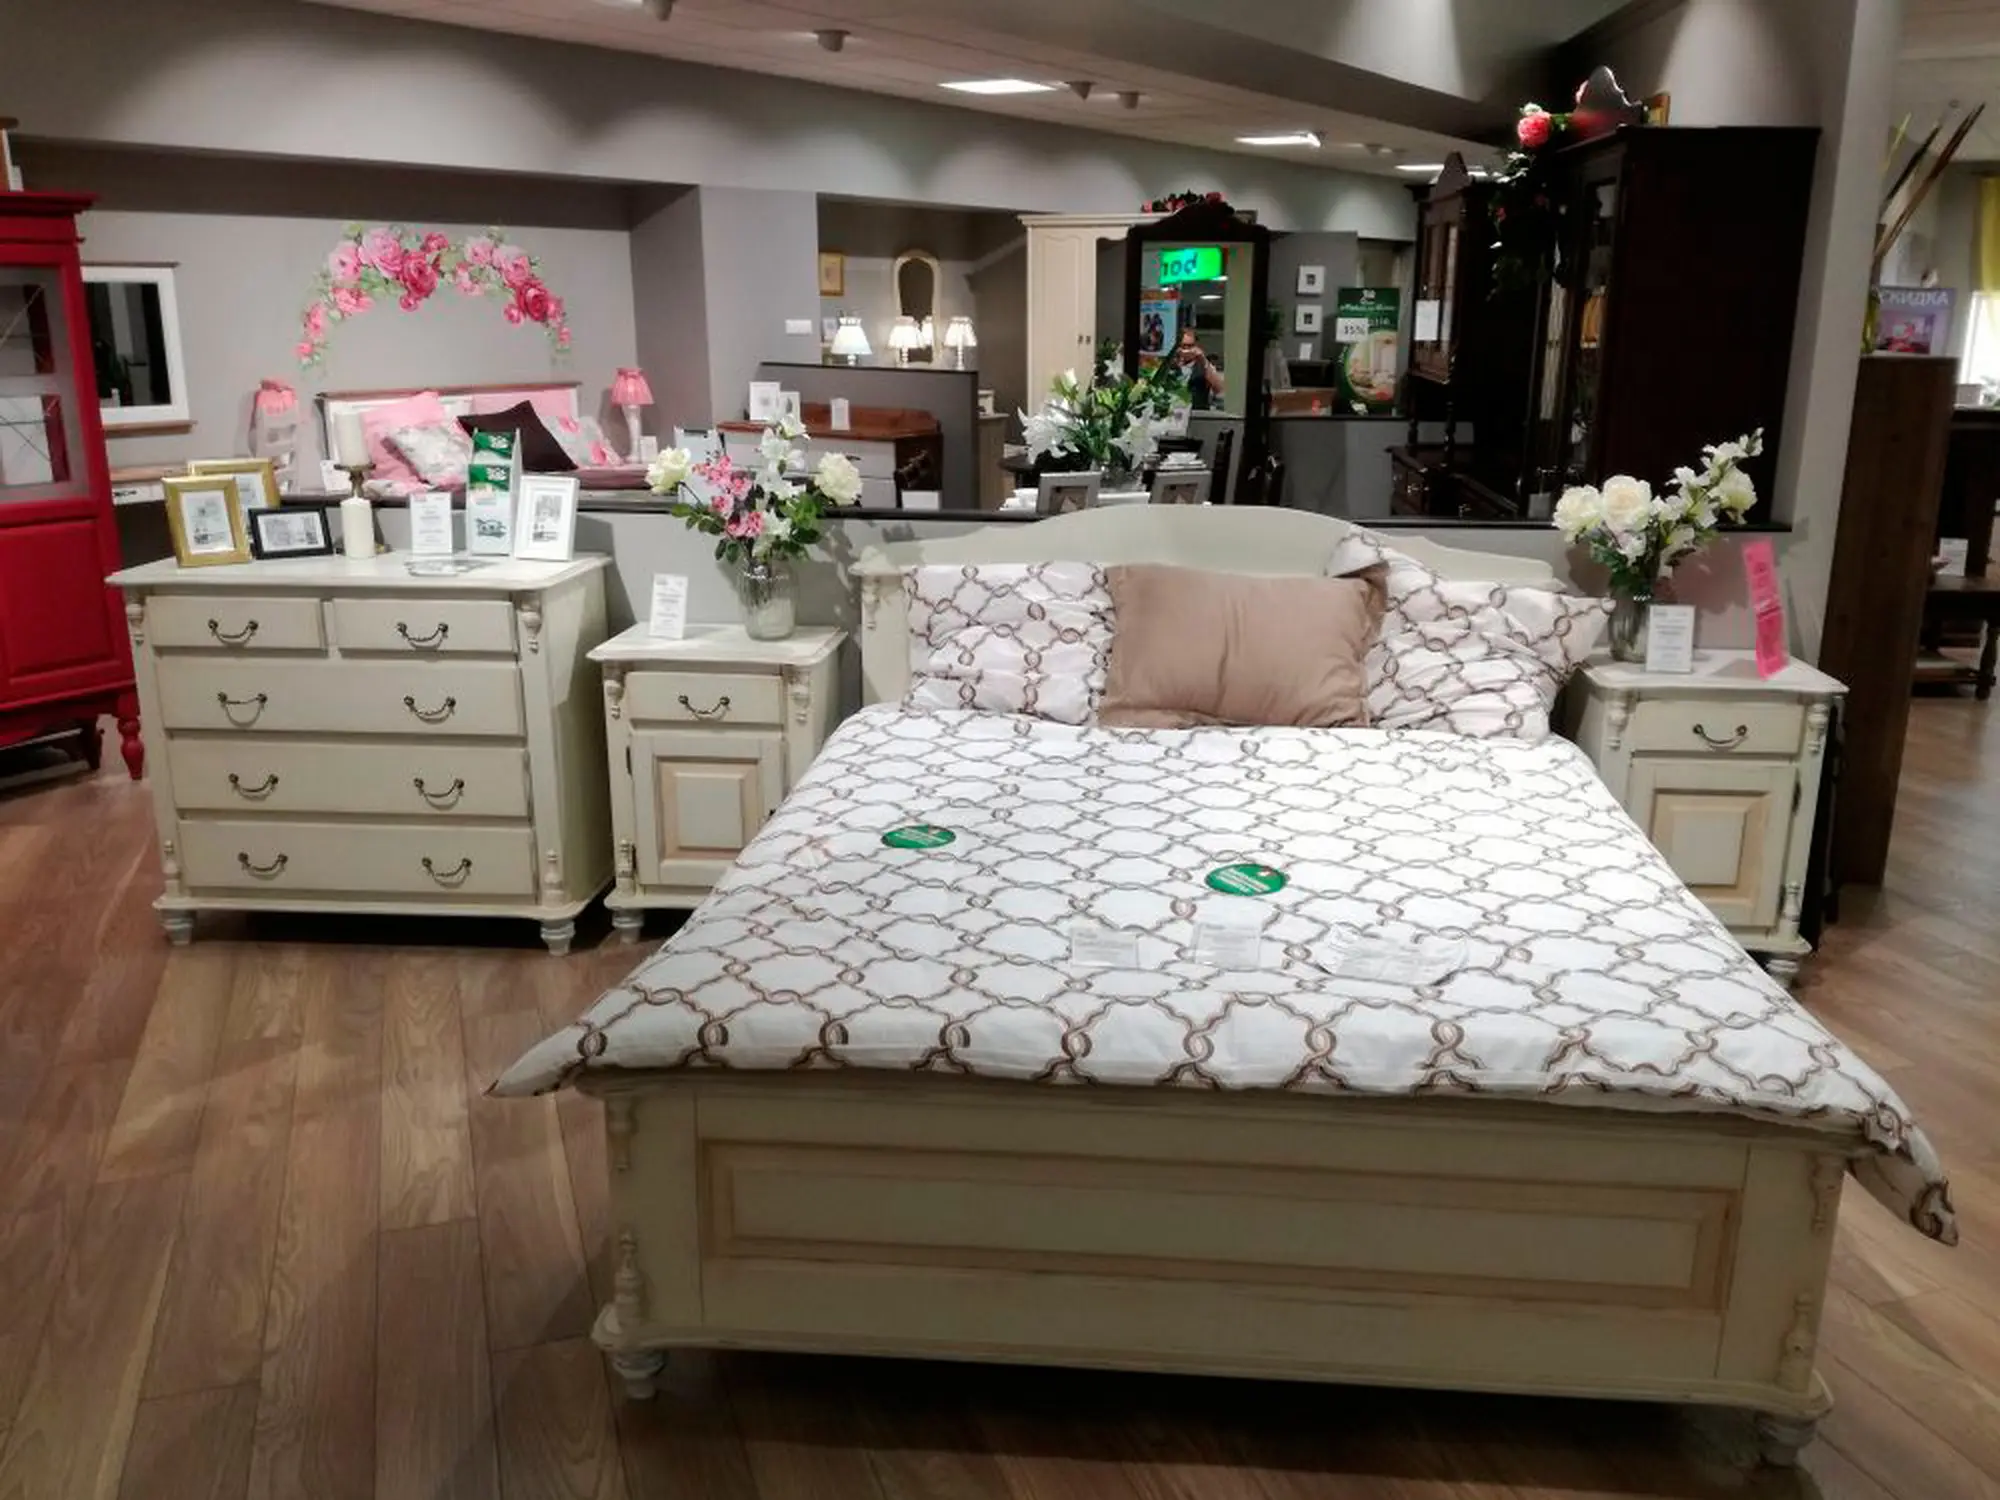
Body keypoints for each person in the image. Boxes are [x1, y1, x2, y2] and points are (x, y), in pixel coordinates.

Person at [1175, 327, 1224, 409]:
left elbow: (1218, 389)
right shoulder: (1171, 366)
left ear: (1196, 346)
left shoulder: (1205, 365)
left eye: (1190, 346)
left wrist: (1203, 360)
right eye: (1183, 346)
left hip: (1197, 412)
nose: (1186, 349)